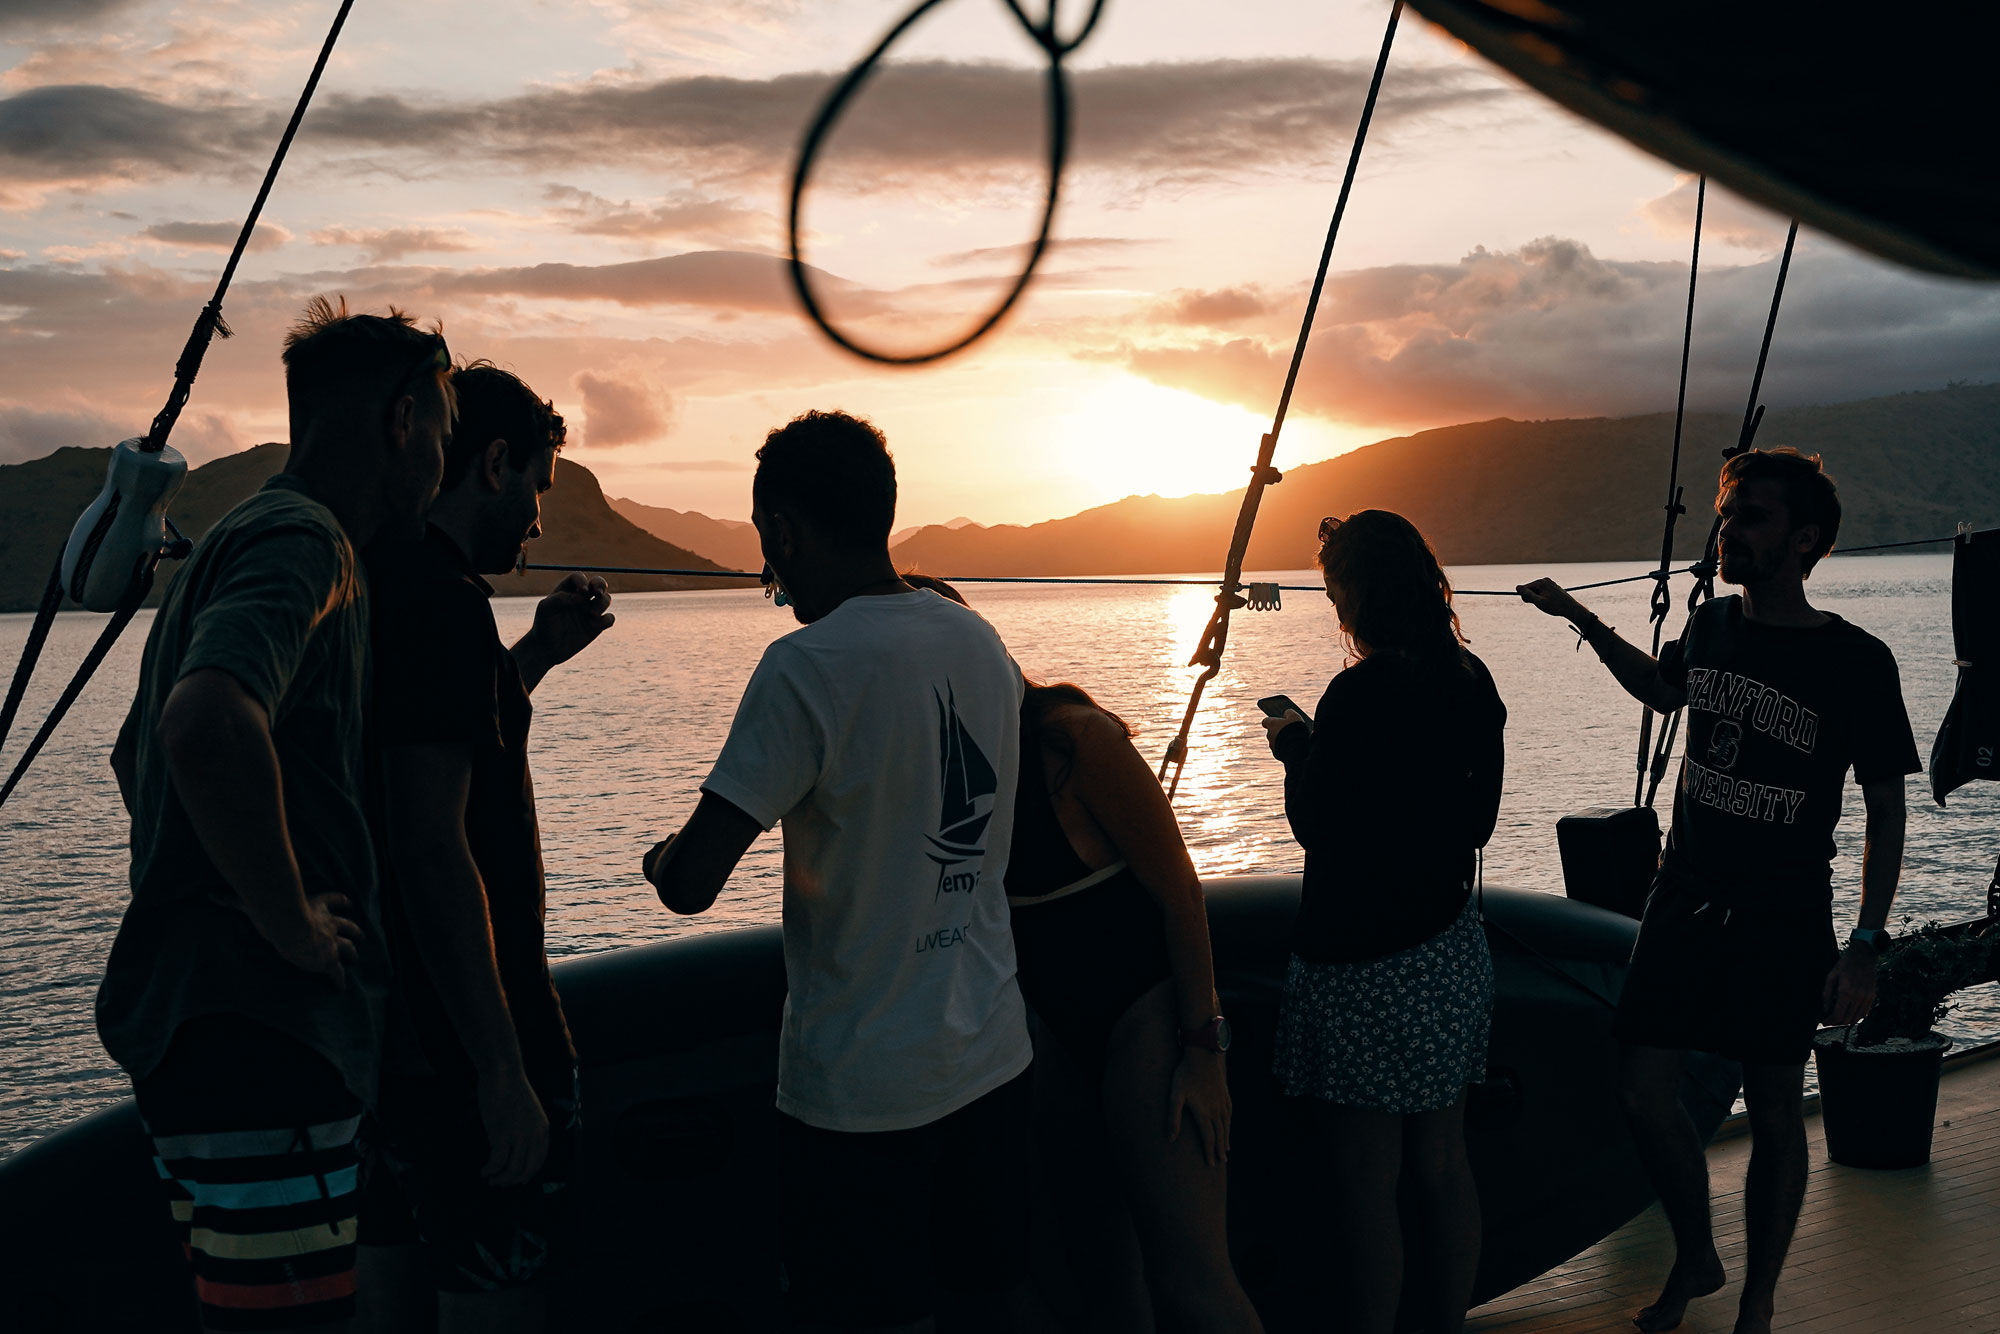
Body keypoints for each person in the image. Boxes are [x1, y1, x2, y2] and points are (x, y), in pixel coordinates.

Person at [99, 297, 452, 1333]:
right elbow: (202, 725)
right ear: (400, 422)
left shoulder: (241, 532)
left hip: (197, 1029)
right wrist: (287, 915)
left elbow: (135, 756)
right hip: (261, 1036)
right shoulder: (307, 543)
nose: (442, 450)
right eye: (439, 424)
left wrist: (215, 879)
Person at [642, 411, 1035, 1333]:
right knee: (993, 1306)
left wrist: (659, 856)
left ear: (782, 531)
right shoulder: (979, 643)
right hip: (994, 1061)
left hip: (861, 1100)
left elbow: (692, 880)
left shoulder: (804, 667)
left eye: (763, 544)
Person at [1517, 447, 1919, 1334]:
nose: (1729, 533)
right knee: (1641, 1092)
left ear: (1804, 540)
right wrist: (1575, 615)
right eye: (1728, 516)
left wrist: (1864, 946)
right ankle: (1697, 1254)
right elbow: (1662, 694)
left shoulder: (1857, 661)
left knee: (1776, 1112)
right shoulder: (1709, 626)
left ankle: (1760, 1302)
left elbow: (1886, 807)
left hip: (1781, 917)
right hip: (1682, 902)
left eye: (1752, 518)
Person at [902, 575, 1262, 1333]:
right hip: (1036, 1033)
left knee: (1192, 1282)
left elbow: (1180, 894)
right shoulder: (920, 768)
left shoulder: (1075, 741)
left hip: (1143, 1016)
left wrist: (1204, 1052)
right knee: (1099, 1281)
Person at [354, 364, 613, 1333]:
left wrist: (538, 653)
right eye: (539, 487)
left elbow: (428, 746)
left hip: (390, 1047)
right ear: (493, 462)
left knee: (387, 1306)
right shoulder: (446, 600)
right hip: (459, 1053)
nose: (539, 522)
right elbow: (430, 843)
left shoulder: (382, 580)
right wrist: (501, 1069)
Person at [1261, 509, 1506, 1334]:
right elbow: (1475, 824)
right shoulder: (1473, 681)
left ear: (1359, 593)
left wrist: (1298, 745)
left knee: (1367, 1185)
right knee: (1442, 1165)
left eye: (1336, 588)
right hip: (1446, 952)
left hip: (1364, 967)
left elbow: (1320, 825)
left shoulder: (1357, 695)